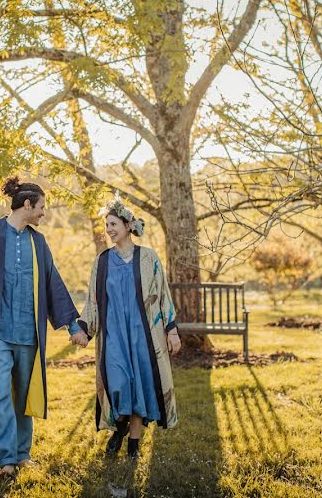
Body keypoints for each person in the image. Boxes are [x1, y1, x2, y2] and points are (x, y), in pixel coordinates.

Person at [0, 176, 89, 476]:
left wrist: (72, 326)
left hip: (29, 333)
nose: (43, 214)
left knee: (23, 395)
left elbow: (53, 284)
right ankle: (7, 461)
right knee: (0, 394)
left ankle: (23, 453)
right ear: (26, 205)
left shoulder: (37, 242)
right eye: (41, 207)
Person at [77, 195, 181, 459]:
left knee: (140, 389)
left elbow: (164, 295)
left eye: (113, 224)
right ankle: (119, 428)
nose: (109, 230)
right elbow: (93, 300)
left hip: (143, 336)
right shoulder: (101, 261)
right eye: (107, 225)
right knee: (119, 385)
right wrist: (83, 329)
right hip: (114, 337)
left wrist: (172, 330)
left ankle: (134, 444)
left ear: (127, 225)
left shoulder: (148, 258)